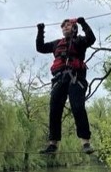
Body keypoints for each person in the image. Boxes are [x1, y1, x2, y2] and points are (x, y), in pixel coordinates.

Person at [36, 17, 96, 154]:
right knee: (54, 109)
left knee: (78, 107)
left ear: (74, 28)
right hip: (59, 79)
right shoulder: (57, 44)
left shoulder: (80, 41)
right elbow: (40, 48)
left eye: (68, 25)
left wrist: (83, 23)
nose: (65, 27)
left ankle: (85, 142)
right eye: (63, 26)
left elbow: (91, 39)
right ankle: (53, 144)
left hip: (76, 78)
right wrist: (40, 31)